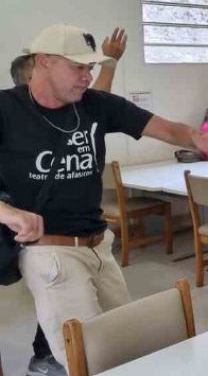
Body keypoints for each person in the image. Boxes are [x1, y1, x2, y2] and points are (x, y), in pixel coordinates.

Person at [0, 24, 208, 370]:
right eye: (78, 67)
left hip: (99, 245)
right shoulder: (7, 109)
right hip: (50, 252)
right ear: (44, 61)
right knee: (91, 357)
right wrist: (8, 213)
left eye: (90, 67)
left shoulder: (95, 104)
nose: (87, 76)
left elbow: (165, 128)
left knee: (125, 343)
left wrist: (195, 138)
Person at [6, 27, 126, 376]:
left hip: (79, 236)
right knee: (60, 304)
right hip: (37, 236)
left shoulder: (70, 112)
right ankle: (48, 359)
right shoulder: (16, 122)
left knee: (68, 307)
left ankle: (50, 356)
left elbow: (98, 100)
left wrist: (110, 62)